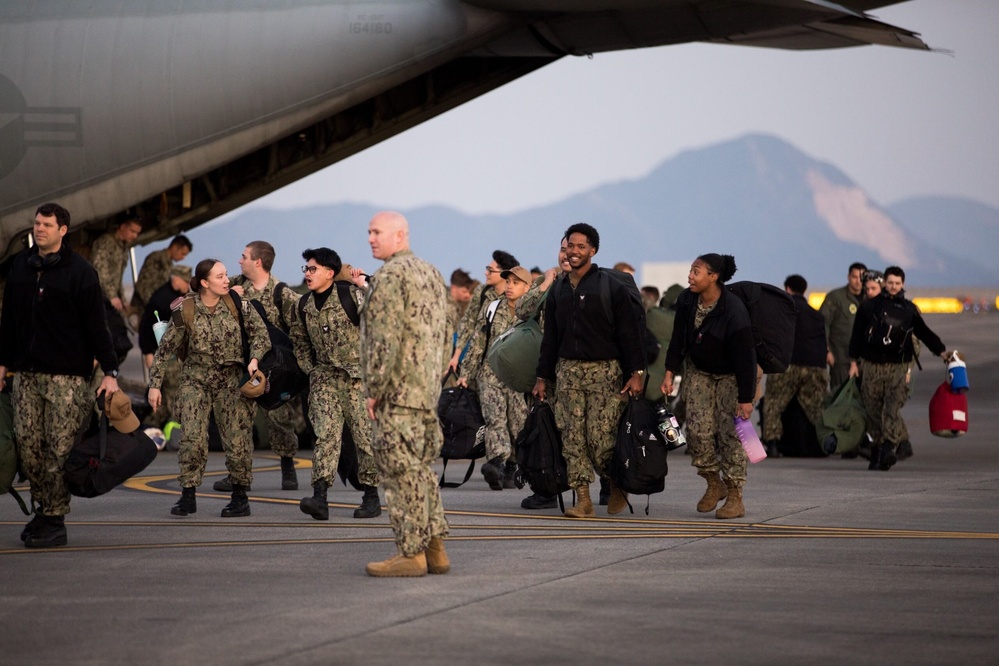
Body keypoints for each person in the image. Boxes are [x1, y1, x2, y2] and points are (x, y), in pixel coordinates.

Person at [0, 203, 121, 548]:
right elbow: (9, 321)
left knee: (58, 450)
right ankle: (44, 511)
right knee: (28, 446)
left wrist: (110, 371)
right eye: (37, 223)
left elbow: (97, 325)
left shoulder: (80, 272)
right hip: (26, 376)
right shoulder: (22, 266)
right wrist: (3, 364)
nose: (39, 229)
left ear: (63, 230)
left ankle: (54, 518)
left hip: (66, 380)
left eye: (47, 225)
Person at [532, 224, 646, 518]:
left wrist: (637, 373)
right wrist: (543, 377)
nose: (574, 251)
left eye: (581, 247)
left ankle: (616, 484)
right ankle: (583, 499)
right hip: (568, 372)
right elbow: (551, 338)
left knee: (601, 439)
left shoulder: (612, 288)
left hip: (604, 373)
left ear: (593, 250)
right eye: (570, 246)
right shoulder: (558, 289)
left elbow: (630, 334)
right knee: (572, 438)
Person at [361, 211, 450, 577]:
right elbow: (446, 334)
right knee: (420, 469)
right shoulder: (430, 272)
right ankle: (435, 549)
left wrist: (373, 390)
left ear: (400, 236)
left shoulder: (389, 277)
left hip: (397, 393)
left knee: (399, 472)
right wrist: (433, 382)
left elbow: (383, 340)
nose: (370, 238)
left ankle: (410, 554)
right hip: (426, 391)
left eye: (377, 232)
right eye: (369, 232)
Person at [148, 258, 271, 517]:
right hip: (196, 381)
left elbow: (261, 335)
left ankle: (240, 496)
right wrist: (155, 385)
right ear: (204, 282)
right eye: (220, 277)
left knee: (237, 439)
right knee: (192, 439)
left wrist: (254, 359)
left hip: (231, 381)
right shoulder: (186, 311)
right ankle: (188, 495)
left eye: (226, 275)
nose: (227, 280)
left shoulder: (240, 305)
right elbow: (165, 350)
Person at [661, 254, 756, 520]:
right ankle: (714, 482)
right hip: (699, 372)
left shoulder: (733, 310)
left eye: (696, 271)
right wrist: (669, 373)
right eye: (691, 270)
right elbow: (678, 339)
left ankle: (735, 496)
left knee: (731, 436)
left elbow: (746, 357)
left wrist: (746, 398)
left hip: (732, 377)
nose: (690, 276)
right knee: (697, 433)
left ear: (713, 277)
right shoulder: (687, 300)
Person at [291, 247, 381, 520]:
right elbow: (299, 341)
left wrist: (365, 285)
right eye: (306, 269)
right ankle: (320, 497)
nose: (307, 273)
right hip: (324, 380)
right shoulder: (303, 305)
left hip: (357, 380)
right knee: (326, 437)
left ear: (330, 273)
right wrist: (312, 371)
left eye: (313, 269)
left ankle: (371, 496)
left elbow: (380, 317)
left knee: (364, 438)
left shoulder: (350, 295)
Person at [218, 240, 304, 491]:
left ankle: (288, 466)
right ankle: (237, 474)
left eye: (244, 256)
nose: (239, 260)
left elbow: (300, 324)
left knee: (280, 418)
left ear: (257, 262)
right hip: (239, 366)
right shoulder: (233, 284)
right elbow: (205, 289)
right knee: (236, 423)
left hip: (271, 370)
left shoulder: (281, 293)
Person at [848, 266, 947, 471]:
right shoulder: (869, 307)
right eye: (890, 282)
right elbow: (856, 336)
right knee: (873, 411)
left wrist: (942, 352)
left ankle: (887, 447)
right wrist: (853, 361)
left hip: (898, 368)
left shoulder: (909, 310)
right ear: (885, 282)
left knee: (892, 410)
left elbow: (924, 333)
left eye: (897, 283)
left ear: (903, 284)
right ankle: (878, 452)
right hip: (872, 367)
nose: (893, 287)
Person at [456, 265, 533, 491]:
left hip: (519, 378)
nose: (509, 286)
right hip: (490, 374)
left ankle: (512, 465)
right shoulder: (491, 308)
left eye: (516, 283)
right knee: (494, 419)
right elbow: (478, 343)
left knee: (518, 423)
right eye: (508, 281)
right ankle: (496, 462)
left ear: (527, 288)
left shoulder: (532, 313)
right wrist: (465, 374)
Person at [517, 237, 570, 510]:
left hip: (580, 371)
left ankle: (608, 485)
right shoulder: (546, 283)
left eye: (572, 249)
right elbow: (522, 310)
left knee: (588, 432)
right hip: (546, 372)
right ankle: (547, 488)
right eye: (563, 249)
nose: (566, 254)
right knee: (545, 432)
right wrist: (546, 282)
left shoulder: (594, 282)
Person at [761, 274, 828, 457]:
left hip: (787, 364)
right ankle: (825, 442)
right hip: (814, 366)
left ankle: (773, 443)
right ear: (804, 290)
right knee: (815, 407)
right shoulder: (817, 315)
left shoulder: (782, 310)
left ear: (787, 289)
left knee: (774, 403)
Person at [447, 250, 519, 376]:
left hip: (505, 368)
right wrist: (456, 356)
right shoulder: (482, 292)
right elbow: (468, 323)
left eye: (490, 270)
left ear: (503, 274)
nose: (486, 273)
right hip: (479, 366)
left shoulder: (516, 297)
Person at [137, 265, 192, 427]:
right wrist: (147, 352)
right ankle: (170, 426)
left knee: (168, 393)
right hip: (162, 354)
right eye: (185, 281)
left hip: (172, 354)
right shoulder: (161, 299)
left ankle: (150, 427)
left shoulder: (178, 296)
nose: (187, 285)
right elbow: (146, 327)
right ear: (175, 279)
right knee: (172, 391)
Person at [820, 262, 866, 394]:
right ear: (848, 277)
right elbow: (823, 324)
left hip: (865, 361)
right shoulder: (836, 298)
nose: (858, 281)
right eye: (855, 277)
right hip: (841, 359)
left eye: (861, 277)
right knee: (840, 396)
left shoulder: (869, 298)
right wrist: (826, 350)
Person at [89, 215, 143, 314]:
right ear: (122, 227)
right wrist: (112, 296)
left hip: (109, 298)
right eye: (132, 231)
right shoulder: (106, 242)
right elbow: (99, 270)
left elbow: (117, 277)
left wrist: (122, 299)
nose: (135, 236)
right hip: (99, 296)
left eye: (137, 233)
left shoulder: (123, 247)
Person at [132, 235, 193, 313]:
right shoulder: (157, 258)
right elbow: (143, 285)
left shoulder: (169, 264)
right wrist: (153, 306)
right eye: (182, 253)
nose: (183, 258)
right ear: (175, 247)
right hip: (142, 308)